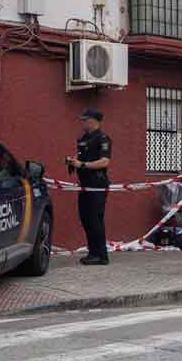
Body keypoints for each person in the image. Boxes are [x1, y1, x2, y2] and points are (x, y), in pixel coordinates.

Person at [68, 108, 112, 266]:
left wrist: (83, 165)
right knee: (85, 218)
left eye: (85, 119)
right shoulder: (83, 138)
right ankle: (93, 252)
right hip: (85, 185)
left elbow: (105, 161)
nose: (82, 122)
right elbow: (79, 157)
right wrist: (73, 162)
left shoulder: (103, 138)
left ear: (93, 121)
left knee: (95, 219)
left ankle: (101, 255)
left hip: (97, 185)